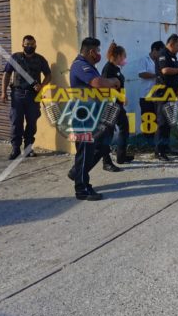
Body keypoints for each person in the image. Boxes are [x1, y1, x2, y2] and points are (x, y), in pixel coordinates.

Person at [67, 37, 121, 201]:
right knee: (85, 152)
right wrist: (114, 81)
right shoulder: (80, 65)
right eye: (97, 51)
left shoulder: (90, 66)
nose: (99, 54)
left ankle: (77, 172)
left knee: (102, 146)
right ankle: (82, 188)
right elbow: (98, 82)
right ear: (91, 52)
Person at [1, 34, 51, 160]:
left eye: (32, 44)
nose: (29, 46)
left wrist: (42, 86)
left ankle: (28, 149)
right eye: (27, 44)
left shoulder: (40, 59)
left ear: (35, 45)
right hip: (17, 95)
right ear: (22, 44)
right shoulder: (15, 57)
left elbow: (48, 75)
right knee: (16, 123)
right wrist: (3, 92)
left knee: (32, 123)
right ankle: (15, 149)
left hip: (33, 96)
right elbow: (7, 74)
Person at [154, 34, 178, 161]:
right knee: (162, 123)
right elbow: (165, 71)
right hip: (163, 94)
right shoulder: (163, 54)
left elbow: (175, 72)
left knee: (168, 123)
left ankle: (166, 147)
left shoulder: (173, 56)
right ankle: (159, 151)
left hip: (172, 94)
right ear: (171, 44)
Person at [101, 42, 134, 171]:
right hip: (110, 105)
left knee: (124, 127)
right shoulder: (108, 69)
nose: (125, 59)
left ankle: (121, 156)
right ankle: (106, 162)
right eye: (124, 56)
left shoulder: (116, 68)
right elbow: (105, 88)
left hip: (118, 105)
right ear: (118, 56)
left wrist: (122, 97)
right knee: (107, 133)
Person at [138, 41, 165, 145]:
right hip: (146, 95)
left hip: (157, 96)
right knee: (147, 118)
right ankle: (147, 142)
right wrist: (156, 76)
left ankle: (155, 142)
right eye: (159, 52)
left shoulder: (160, 61)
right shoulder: (144, 59)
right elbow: (141, 74)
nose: (160, 55)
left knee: (156, 119)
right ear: (154, 50)